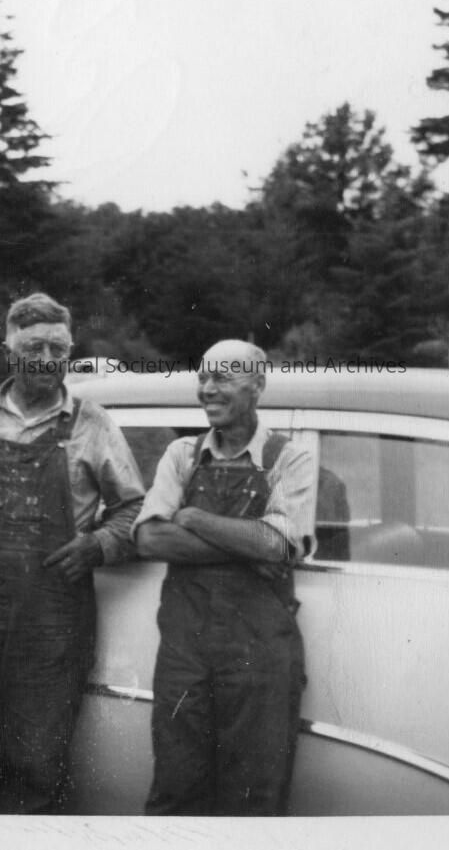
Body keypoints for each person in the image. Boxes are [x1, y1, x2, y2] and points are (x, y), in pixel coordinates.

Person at [0, 293, 145, 814]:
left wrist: (99, 544)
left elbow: (134, 510)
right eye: (34, 347)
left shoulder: (94, 424)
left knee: (34, 765)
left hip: (49, 627)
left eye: (58, 348)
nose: (46, 359)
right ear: (9, 352)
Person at [133, 339, 315, 816]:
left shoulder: (288, 458)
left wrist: (193, 517)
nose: (208, 389)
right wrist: (248, 546)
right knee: (176, 790)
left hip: (259, 657)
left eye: (223, 377)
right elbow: (149, 539)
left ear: (258, 386)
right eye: (203, 377)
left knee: (254, 800)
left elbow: (279, 545)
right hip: (184, 654)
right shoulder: (181, 453)